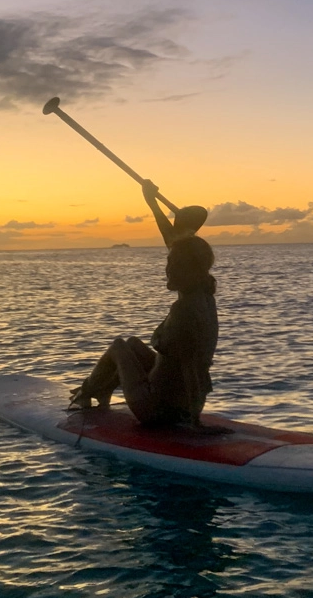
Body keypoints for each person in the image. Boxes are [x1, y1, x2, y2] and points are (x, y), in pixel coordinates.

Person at [68, 181, 217, 427]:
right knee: (133, 345)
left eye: (171, 263)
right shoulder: (204, 298)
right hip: (181, 403)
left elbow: (184, 361)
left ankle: (87, 393)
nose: (166, 268)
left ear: (182, 269)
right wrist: (152, 202)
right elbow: (178, 245)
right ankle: (99, 391)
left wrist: (191, 422)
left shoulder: (184, 311)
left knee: (119, 347)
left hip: (159, 408)